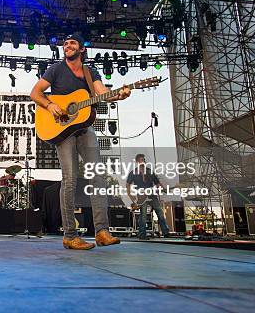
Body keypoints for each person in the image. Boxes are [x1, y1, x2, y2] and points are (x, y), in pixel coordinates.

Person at [30, 34, 131, 250]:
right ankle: (69, 235)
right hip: (61, 128)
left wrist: (119, 95)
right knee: (70, 179)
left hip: (84, 127)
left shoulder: (89, 71)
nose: (67, 46)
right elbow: (35, 92)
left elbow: (103, 93)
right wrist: (50, 106)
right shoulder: (55, 69)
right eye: (65, 44)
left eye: (72, 43)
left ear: (81, 49)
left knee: (98, 175)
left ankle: (102, 232)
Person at [126, 154, 170, 239]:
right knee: (143, 215)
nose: (142, 161)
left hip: (152, 195)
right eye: (140, 160)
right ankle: (142, 234)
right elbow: (127, 185)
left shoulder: (149, 171)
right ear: (137, 162)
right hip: (141, 197)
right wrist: (132, 198)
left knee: (160, 213)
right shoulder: (133, 173)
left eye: (143, 160)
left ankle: (166, 232)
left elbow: (157, 183)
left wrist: (164, 189)